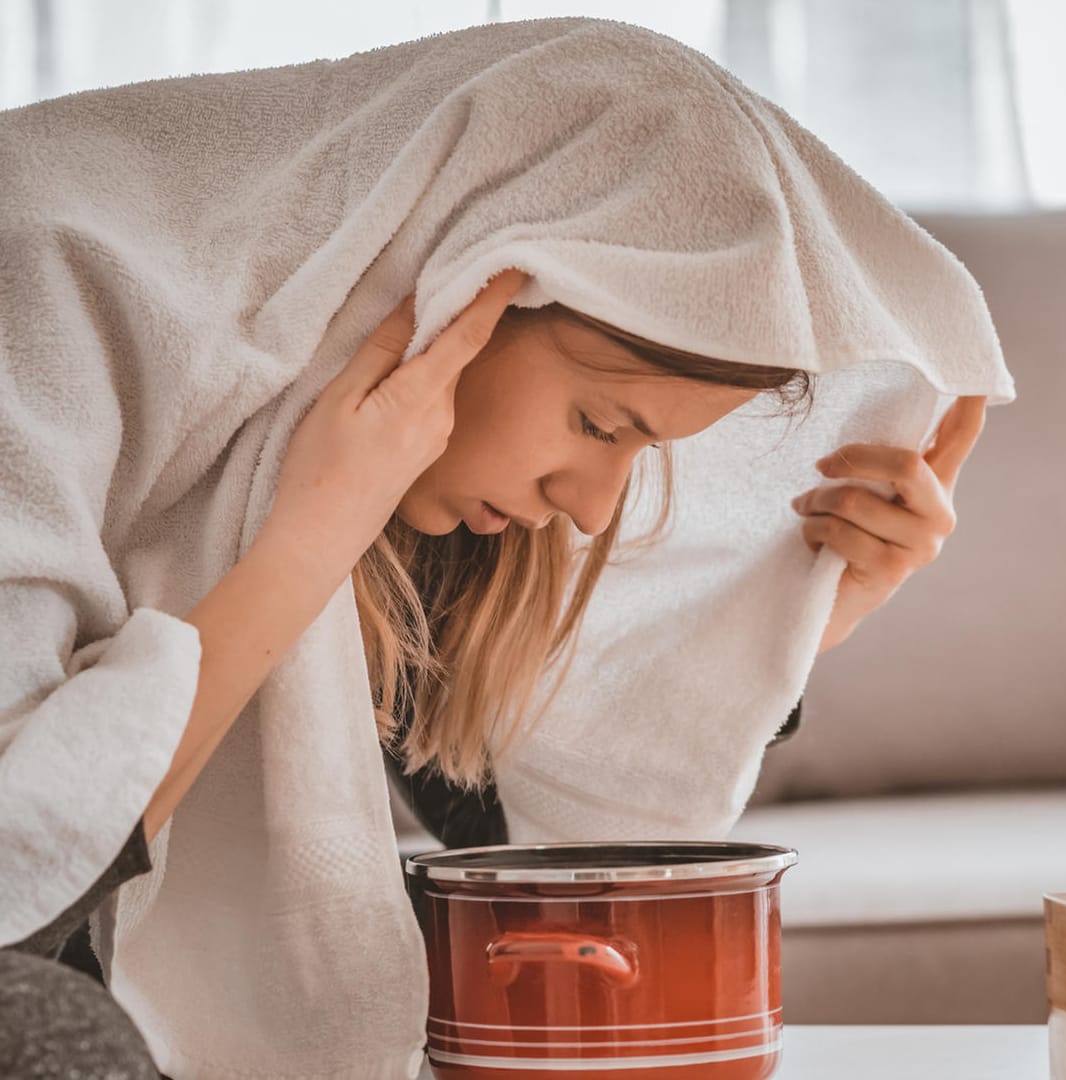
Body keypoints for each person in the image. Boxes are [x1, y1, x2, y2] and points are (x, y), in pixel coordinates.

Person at [0, 17, 1010, 1078]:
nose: (589, 508)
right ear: (463, 285)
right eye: (602, 426)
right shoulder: (46, 289)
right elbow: (28, 861)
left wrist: (799, 615)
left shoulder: (411, 497)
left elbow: (532, 837)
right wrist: (306, 545)